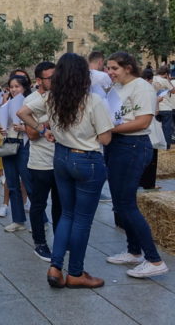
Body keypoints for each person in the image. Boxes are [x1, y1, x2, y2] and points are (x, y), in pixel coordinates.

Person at [18, 53, 113, 289]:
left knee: (67, 214)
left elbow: (22, 112)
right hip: (86, 159)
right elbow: (105, 139)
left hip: (61, 157)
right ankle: (76, 272)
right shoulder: (92, 101)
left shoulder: (51, 99)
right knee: (82, 219)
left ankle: (55, 266)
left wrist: (42, 129)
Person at [104, 52, 169, 278]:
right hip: (117, 145)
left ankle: (154, 259)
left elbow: (143, 121)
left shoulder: (141, 87)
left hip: (132, 146)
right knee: (120, 203)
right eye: (108, 68)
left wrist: (110, 129)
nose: (110, 72)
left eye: (114, 68)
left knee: (126, 204)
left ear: (128, 67)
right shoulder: (117, 88)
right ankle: (134, 251)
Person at [24, 62, 60, 261]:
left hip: (61, 160)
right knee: (38, 205)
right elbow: (31, 134)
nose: (56, 80)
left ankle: (61, 241)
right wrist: (50, 120)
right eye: (50, 78)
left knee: (60, 205)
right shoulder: (31, 101)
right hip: (40, 162)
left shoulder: (60, 96)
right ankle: (40, 243)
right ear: (39, 80)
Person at [0, 75, 33, 232]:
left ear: (24, 87)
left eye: (17, 86)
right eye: (11, 87)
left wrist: (24, 128)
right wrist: (2, 129)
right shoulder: (7, 103)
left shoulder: (30, 103)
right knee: (12, 183)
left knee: (29, 182)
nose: (13, 90)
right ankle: (18, 220)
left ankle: (42, 220)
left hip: (24, 144)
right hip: (9, 143)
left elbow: (40, 126)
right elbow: (3, 122)